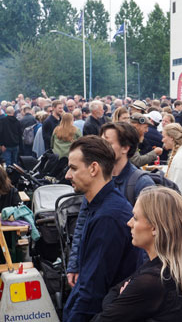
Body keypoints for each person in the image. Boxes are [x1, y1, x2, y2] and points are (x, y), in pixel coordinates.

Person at [90, 187, 182, 321]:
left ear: (154, 228)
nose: (129, 223)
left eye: (135, 218)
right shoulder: (166, 268)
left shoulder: (152, 281)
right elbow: (113, 291)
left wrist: (122, 296)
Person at [63, 136, 140, 322]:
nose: (67, 175)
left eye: (73, 168)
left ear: (94, 168)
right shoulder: (100, 206)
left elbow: (93, 291)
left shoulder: (108, 216)